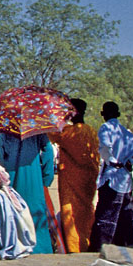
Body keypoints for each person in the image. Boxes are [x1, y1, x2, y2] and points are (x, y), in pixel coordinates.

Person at [89, 101, 133, 250]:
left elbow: (105, 147)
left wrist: (112, 161)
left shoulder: (106, 129)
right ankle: (123, 246)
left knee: (106, 215)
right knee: (123, 215)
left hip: (112, 178)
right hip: (125, 179)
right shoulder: (126, 133)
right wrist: (129, 161)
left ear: (104, 114)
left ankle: (102, 247)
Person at [47, 98, 100, 253]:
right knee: (87, 210)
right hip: (89, 179)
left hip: (72, 179)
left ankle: (75, 246)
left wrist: (60, 117)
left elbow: (52, 132)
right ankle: (87, 241)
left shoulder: (69, 133)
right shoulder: (91, 131)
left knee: (71, 212)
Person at [0, 131, 55, 254]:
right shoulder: (37, 131)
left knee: (15, 214)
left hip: (11, 178)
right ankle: (40, 249)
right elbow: (48, 152)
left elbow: (1, 156)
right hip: (34, 179)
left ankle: (16, 247)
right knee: (36, 214)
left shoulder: (5, 131)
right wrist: (46, 177)